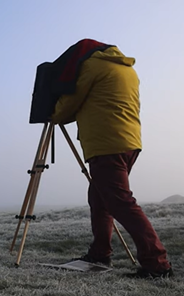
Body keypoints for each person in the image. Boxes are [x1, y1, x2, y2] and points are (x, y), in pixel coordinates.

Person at [49, 39, 173, 279]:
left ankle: (157, 263)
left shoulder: (93, 67)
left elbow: (69, 106)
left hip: (107, 143)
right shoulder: (127, 69)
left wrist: (52, 110)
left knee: (120, 202)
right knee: (99, 198)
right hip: (129, 141)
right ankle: (100, 253)